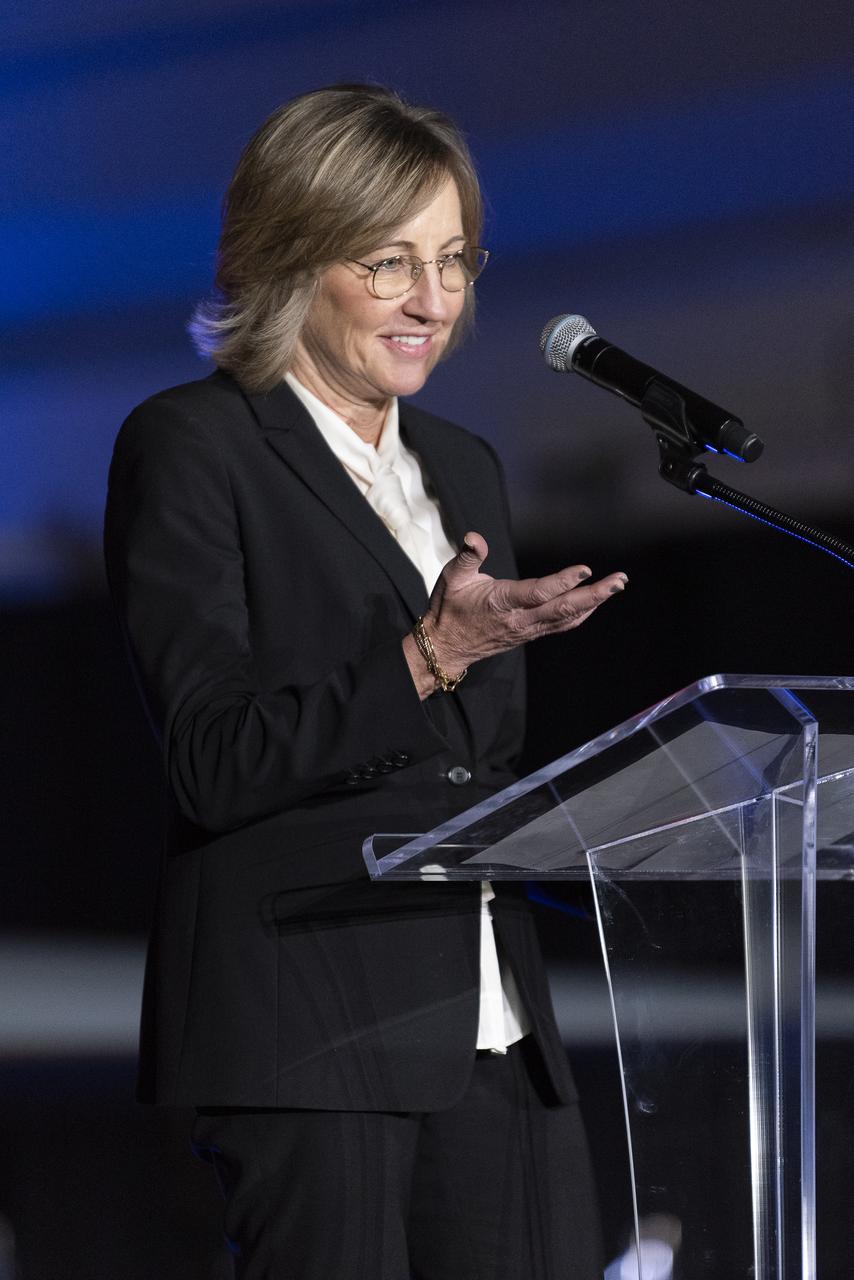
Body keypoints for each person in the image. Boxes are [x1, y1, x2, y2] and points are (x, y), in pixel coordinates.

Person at [104, 84, 627, 1280]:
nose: (433, 301)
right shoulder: (194, 445)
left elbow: (474, 762)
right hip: (307, 1021)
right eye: (388, 262)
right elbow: (210, 758)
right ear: (289, 257)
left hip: (494, 1023)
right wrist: (429, 655)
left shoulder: (463, 466)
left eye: (452, 260)